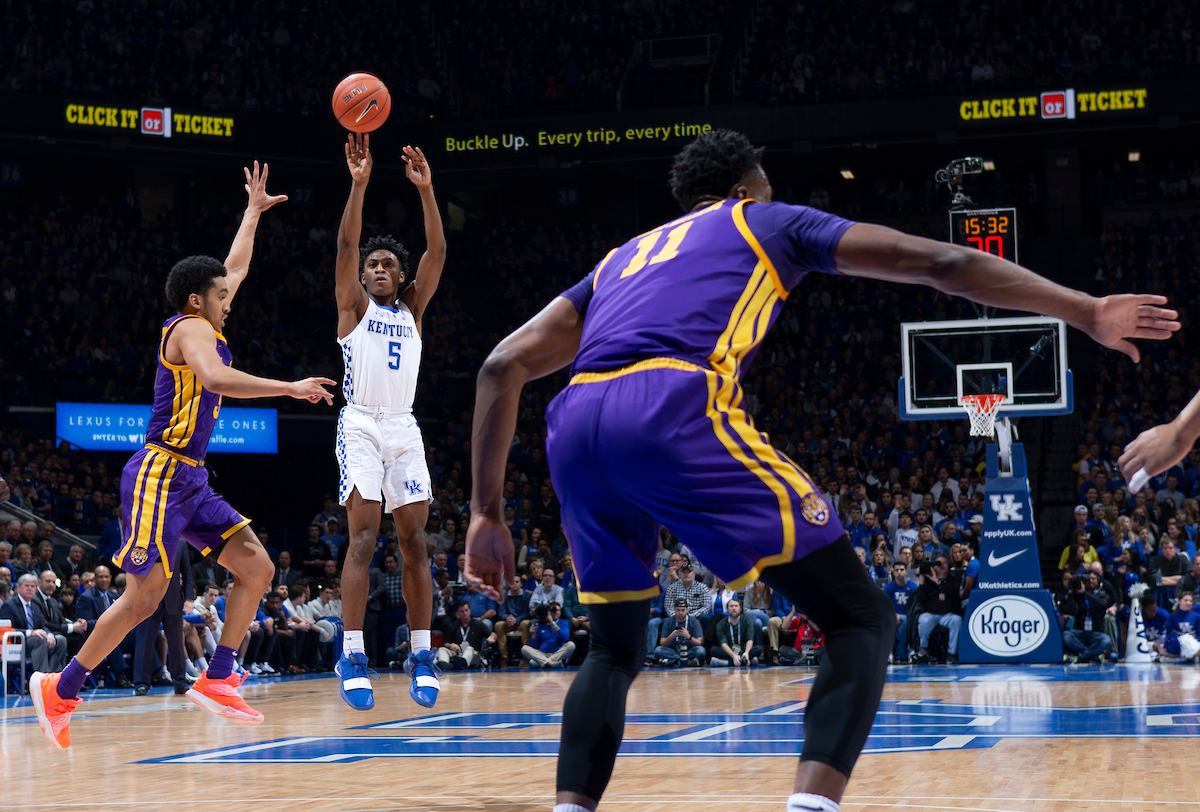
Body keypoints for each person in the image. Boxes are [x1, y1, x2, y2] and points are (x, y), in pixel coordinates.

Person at [463, 128, 1177, 812]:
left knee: (614, 651)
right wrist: (1084, 310)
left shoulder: (621, 257)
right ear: (749, 184)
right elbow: (943, 264)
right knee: (860, 615)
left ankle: (571, 808)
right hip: (670, 402)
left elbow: (503, 365)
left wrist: (485, 513)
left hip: (574, 423)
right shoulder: (762, 221)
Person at [29, 162, 336, 751]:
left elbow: (236, 267)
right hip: (158, 473)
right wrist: (289, 387)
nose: (232, 300)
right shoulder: (191, 330)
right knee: (144, 596)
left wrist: (251, 212)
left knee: (258, 569)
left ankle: (218, 676)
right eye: (222, 295)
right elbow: (219, 376)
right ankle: (61, 688)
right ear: (198, 300)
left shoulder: (206, 315)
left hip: (191, 478)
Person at [332, 133, 447, 712]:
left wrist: (426, 192)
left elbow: (437, 254)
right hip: (360, 425)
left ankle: (421, 652)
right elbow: (347, 242)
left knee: (415, 542)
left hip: (404, 427)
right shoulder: (352, 308)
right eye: (373, 264)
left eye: (388, 263)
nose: (378, 267)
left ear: (401, 277)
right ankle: (351, 652)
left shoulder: (414, 309)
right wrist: (359, 185)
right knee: (363, 537)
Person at [2, 574, 69, 675]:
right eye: (27, 586)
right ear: (19, 587)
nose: (30, 589)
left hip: (36, 643)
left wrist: (49, 633)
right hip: (17, 643)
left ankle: (55, 679)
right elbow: (7, 629)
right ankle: (42, 680)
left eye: (32, 586)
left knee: (60, 640)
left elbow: (42, 626)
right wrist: (30, 632)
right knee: (40, 639)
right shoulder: (9, 605)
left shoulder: (34, 605)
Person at [652, 598, 706, 667]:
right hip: (674, 651)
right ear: (674, 610)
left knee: (701, 651)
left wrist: (689, 637)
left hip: (688, 650)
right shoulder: (668, 621)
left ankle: (675, 661)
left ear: (687, 610)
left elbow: (700, 642)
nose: (680, 613)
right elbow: (662, 643)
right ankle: (686, 661)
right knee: (658, 650)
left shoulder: (694, 621)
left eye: (683, 610)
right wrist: (671, 636)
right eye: (678, 610)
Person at [710, 597, 762, 667]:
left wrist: (746, 653)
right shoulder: (721, 623)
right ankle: (745, 662)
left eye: (736, 606)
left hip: (743, 650)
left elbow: (749, 639)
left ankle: (727, 663)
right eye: (731, 606)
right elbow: (723, 643)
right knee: (713, 650)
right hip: (729, 651)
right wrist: (733, 655)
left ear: (740, 609)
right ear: (727, 609)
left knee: (758, 649)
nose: (733, 608)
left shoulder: (747, 620)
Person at [882, 562, 918, 663]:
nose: (899, 573)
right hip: (893, 616)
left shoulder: (914, 587)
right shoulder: (889, 588)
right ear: (893, 572)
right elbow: (885, 606)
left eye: (902, 570)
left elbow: (916, 606)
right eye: (897, 570)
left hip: (909, 617)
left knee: (905, 622)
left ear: (906, 571)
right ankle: (902, 654)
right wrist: (894, 614)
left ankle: (899, 654)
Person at [522, 602, 574, 669]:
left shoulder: (563, 623)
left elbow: (565, 637)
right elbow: (533, 646)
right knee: (524, 648)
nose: (555, 612)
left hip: (557, 653)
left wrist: (552, 623)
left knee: (571, 645)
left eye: (557, 610)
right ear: (548, 612)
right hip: (542, 653)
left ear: (560, 612)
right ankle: (552, 663)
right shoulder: (540, 624)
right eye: (552, 611)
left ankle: (541, 662)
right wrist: (533, 635)